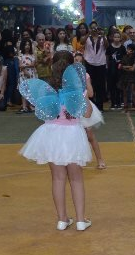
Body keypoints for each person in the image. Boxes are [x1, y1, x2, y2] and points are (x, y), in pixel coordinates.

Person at [19, 51, 93, 231]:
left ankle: (62, 219)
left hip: (51, 134)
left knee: (58, 178)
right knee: (76, 179)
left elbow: (42, 112)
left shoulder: (45, 88)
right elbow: (87, 113)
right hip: (72, 135)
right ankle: (80, 220)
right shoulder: (76, 89)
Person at [74, 54, 106, 170]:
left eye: (80, 61)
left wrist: (83, 87)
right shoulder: (67, 76)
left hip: (84, 104)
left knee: (90, 135)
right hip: (72, 107)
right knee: (74, 135)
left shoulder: (85, 75)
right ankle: (77, 159)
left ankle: (100, 159)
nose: (78, 62)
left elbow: (91, 93)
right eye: (75, 60)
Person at [120, 43, 135, 113]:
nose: (127, 50)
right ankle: (125, 108)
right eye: (127, 49)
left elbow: (133, 69)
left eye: (129, 49)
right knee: (125, 93)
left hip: (132, 77)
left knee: (133, 93)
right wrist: (128, 67)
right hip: (124, 76)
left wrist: (125, 67)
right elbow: (121, 67)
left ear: (133, 51)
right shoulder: (124, 57)